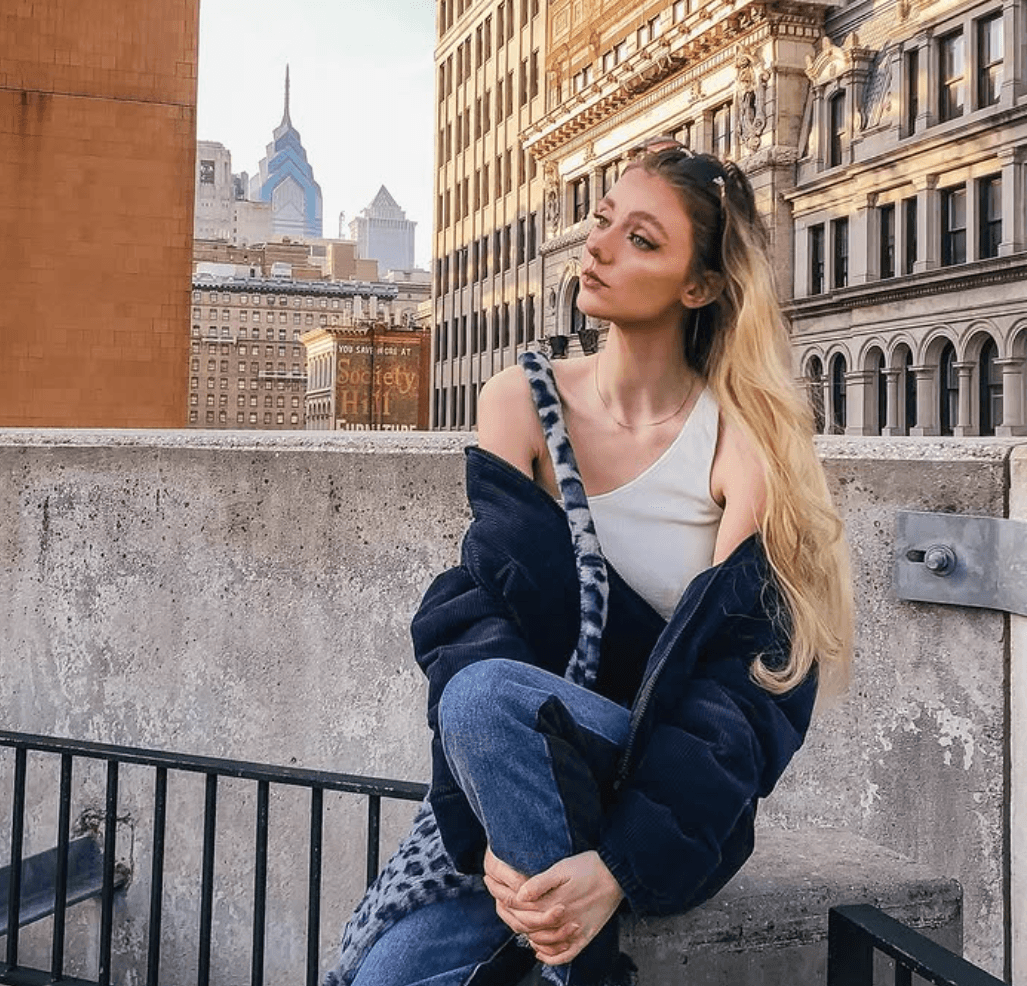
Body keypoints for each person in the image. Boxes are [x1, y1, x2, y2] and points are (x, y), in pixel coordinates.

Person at [325, 144, 854, 986]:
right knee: (383, 975)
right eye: (601, 220)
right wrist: (496, 830)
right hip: (522, 777)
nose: (599, 246)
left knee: (486, 693)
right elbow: (476, 614)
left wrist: (615, 870)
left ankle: (585, 966)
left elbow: (744, 693)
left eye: (641, 238)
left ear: (700, 286)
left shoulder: (739, 438)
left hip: (664, 797)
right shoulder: (520, 402)